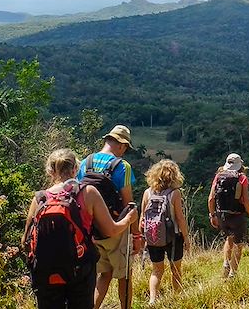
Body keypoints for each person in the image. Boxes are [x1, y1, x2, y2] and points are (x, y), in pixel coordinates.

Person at [23, 148, 138, 309]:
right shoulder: (88, 192)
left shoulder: (40, 198)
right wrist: (128, 219)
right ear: (76, 169)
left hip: (45, 273)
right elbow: (110, 230)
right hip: (79, 269)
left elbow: (26, 240)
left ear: (50, 171)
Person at [77, 125, 143, 309]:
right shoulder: (122, 166)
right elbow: (129, 205)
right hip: (116, 228)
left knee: (103, 274)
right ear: (121, 145)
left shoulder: (85, 162)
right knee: (124, 275)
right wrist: (136, 235)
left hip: (91, 230)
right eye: (126, 148)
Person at [140, 159, 190, 305]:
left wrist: (143, 238)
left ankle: (152, 300)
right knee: (176, 269)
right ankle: (177, 299)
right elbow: (180, 219)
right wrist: (186, 238)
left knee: (156, 271)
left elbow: (142, 218)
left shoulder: (147, 193)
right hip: (173, 237)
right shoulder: (175, 194)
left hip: (153, 238)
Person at [207, 153, 249, 278]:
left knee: (229, 237)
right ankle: (233, 274)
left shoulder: (218, 176)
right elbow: (246, 200)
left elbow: (210, 199)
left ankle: (225, 263)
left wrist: (212, 215)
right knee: (239, 244)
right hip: (237, 215)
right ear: (239, 165)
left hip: (221, 215)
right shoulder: (242, 178)